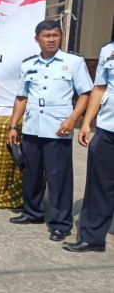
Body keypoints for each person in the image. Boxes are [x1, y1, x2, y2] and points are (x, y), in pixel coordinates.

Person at [7, 20, 92, 242]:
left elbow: (85, 93)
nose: (52, 39)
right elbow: (21, 97)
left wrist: (73, 119)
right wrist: (14, 125)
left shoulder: (73, 62)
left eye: (55, 35)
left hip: (58, 130)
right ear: (37, 39)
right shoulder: (28, 65)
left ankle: (61, 224)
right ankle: (33, 213)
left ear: (60, 37)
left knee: (59, 179)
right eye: (47, 36)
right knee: (32, 175)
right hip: (33, 128)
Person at [63, 39, 114, 252]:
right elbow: (100, 87)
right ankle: (92, 237)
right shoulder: (108, 50)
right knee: (99, 186)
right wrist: (86, 123)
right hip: (108, 129)